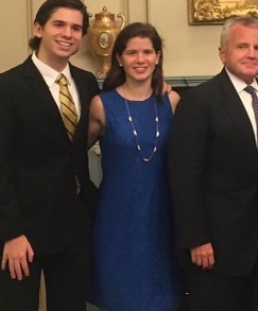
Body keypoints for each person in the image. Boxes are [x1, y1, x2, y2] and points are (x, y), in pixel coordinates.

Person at [0, 0, 100, 311]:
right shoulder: (3, 89)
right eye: (59, 24)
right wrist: (10, 234)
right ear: (38, 28)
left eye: (76, 28)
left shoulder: (87, 83)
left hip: (74, 226)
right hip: (23, 231)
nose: (68, 33)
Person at [167, 15, 258, 311]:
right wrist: (196, 238)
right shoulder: (199, 101)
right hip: (214, 246)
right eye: (242, 46)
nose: (251, 54)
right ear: (222, 53)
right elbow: (184, 176)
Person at [86, 22, 182, 311]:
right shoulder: (101, 104)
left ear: (158, 57)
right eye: (131, 53)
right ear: (119, 59)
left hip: (162, 217)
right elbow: (72, 156)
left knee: (161, 298)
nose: (140, 60)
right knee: (119, 298)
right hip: (117, 219)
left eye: (147, 52)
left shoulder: (173, 101)